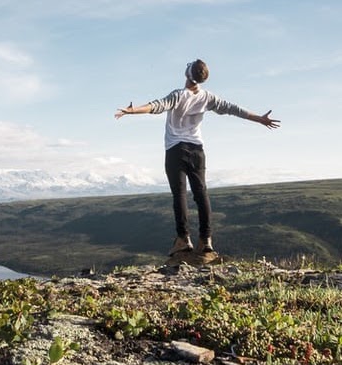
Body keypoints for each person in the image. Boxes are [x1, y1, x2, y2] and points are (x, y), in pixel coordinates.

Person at [115, 59, 280, 257]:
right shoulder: (207, 97)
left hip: (176, 149)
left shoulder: (178, 95)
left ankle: (183, 239)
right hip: (197, 150)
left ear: (188, 73)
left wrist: (132, 110)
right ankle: (206, 240)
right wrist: (260, 119)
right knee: (201, 194)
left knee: (180, 195)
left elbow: (157, 106)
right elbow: (233, 109)